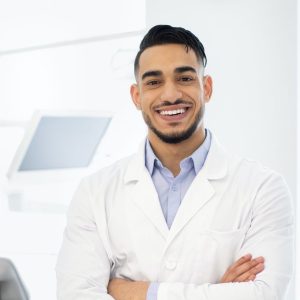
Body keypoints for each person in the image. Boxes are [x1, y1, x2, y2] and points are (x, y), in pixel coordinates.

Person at [56, 25, 294, 300]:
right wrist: (218, 292)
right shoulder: (94, 193)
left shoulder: (263, 188)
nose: (170, 95)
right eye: (154, 82)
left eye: (184, 78)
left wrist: (138, 292)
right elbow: (75, 295)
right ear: (137, 96)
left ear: (207, 88)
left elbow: (264, 294)